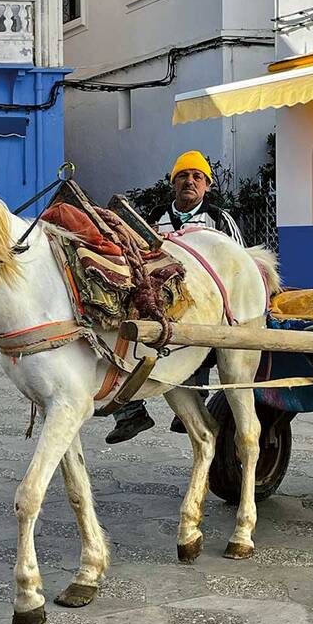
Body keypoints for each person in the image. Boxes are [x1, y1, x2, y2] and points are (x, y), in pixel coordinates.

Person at [106, 151, 244, 444]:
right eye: (182, 176)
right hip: (161, 300)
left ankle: (193, 403)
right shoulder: (156, 217)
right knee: (120, 333)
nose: (189, 181)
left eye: (197, 176)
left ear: (207, 185)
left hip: (207, 304)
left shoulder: (219, 219)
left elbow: (239, 266)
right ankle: (130, 412)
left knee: (197, 346)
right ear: (173, 183)